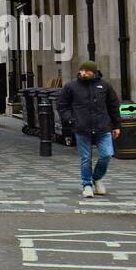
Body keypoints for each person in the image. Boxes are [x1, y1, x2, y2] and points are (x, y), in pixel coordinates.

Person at [57, 61, 122, 198]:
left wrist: (116, 125)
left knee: (107, 154)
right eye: (82, 70)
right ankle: (87, 185)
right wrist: (70, 120)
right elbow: (62, 105)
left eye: (87, 71)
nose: (84, 73)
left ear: (94, 72)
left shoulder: (104, 86)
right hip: (81, 127)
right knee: (86, 158)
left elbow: (113, 106)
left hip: (103, 127)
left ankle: (97, 178)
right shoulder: (71, 87)